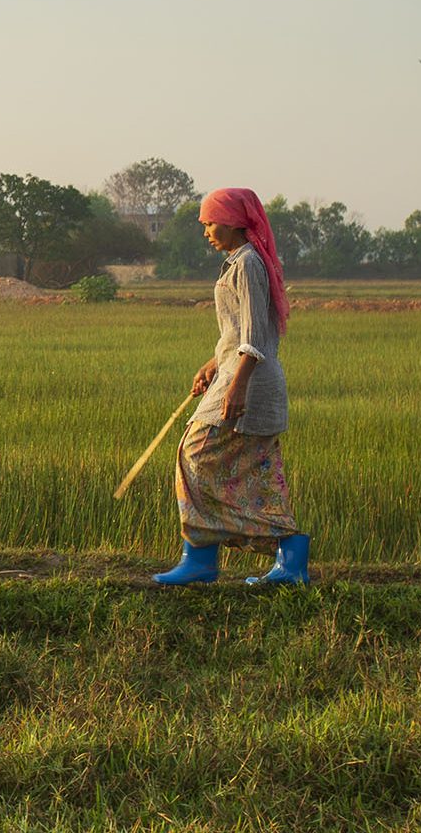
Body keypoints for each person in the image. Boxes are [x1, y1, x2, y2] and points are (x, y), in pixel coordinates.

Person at [152, 187, 310, 586]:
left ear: (234, 222)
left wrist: (236, 387)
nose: (205, 229)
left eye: (210, 221)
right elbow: (238, 333)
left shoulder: (247, 264)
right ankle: (289, 558)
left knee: (195, 454)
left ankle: (202, 558)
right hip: (237, 373)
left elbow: (255, 336)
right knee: (254, 474)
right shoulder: (238, 262)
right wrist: (213, 364)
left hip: (249, 383)